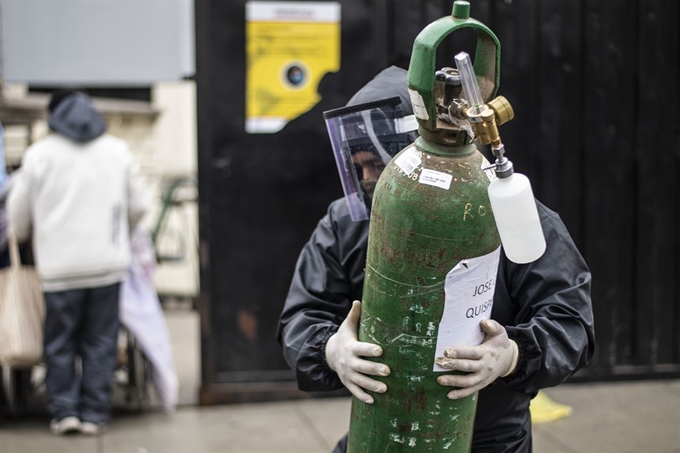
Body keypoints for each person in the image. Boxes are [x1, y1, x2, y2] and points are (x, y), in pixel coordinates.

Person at [277, 66, 595, 452]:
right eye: (359, 167)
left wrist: (511, 353)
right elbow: (302, 315)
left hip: (488, 438)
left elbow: (571, 322)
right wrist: (330, 349)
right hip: (382, 430)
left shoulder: (509, 215)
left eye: (376, 165)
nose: (367, 180)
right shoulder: (347, 222)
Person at [8, 90, 150, 435]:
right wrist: (120, 235)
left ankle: (65, 412)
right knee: (101, 341)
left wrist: (29, 238)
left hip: (58, 269)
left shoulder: (39, 155)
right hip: (107, 265)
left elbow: (18, 215)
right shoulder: (117, 151)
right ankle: (95, 412)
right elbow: (140, 205)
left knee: (59, 343)